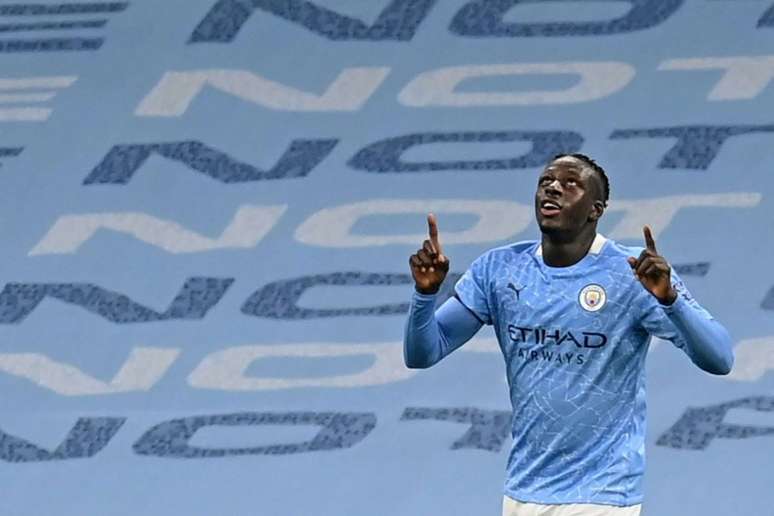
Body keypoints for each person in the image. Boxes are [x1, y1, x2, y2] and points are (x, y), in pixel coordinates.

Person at [403, 154, 734, 516]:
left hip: (604, 492)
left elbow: (720, 358)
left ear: (595, 210)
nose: (553, 187)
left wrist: (671, 300)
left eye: (570, 183)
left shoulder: (634, 273)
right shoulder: (498, 269)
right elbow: (423, 353)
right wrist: (425, 294)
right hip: (524, 490)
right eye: (546, 180)